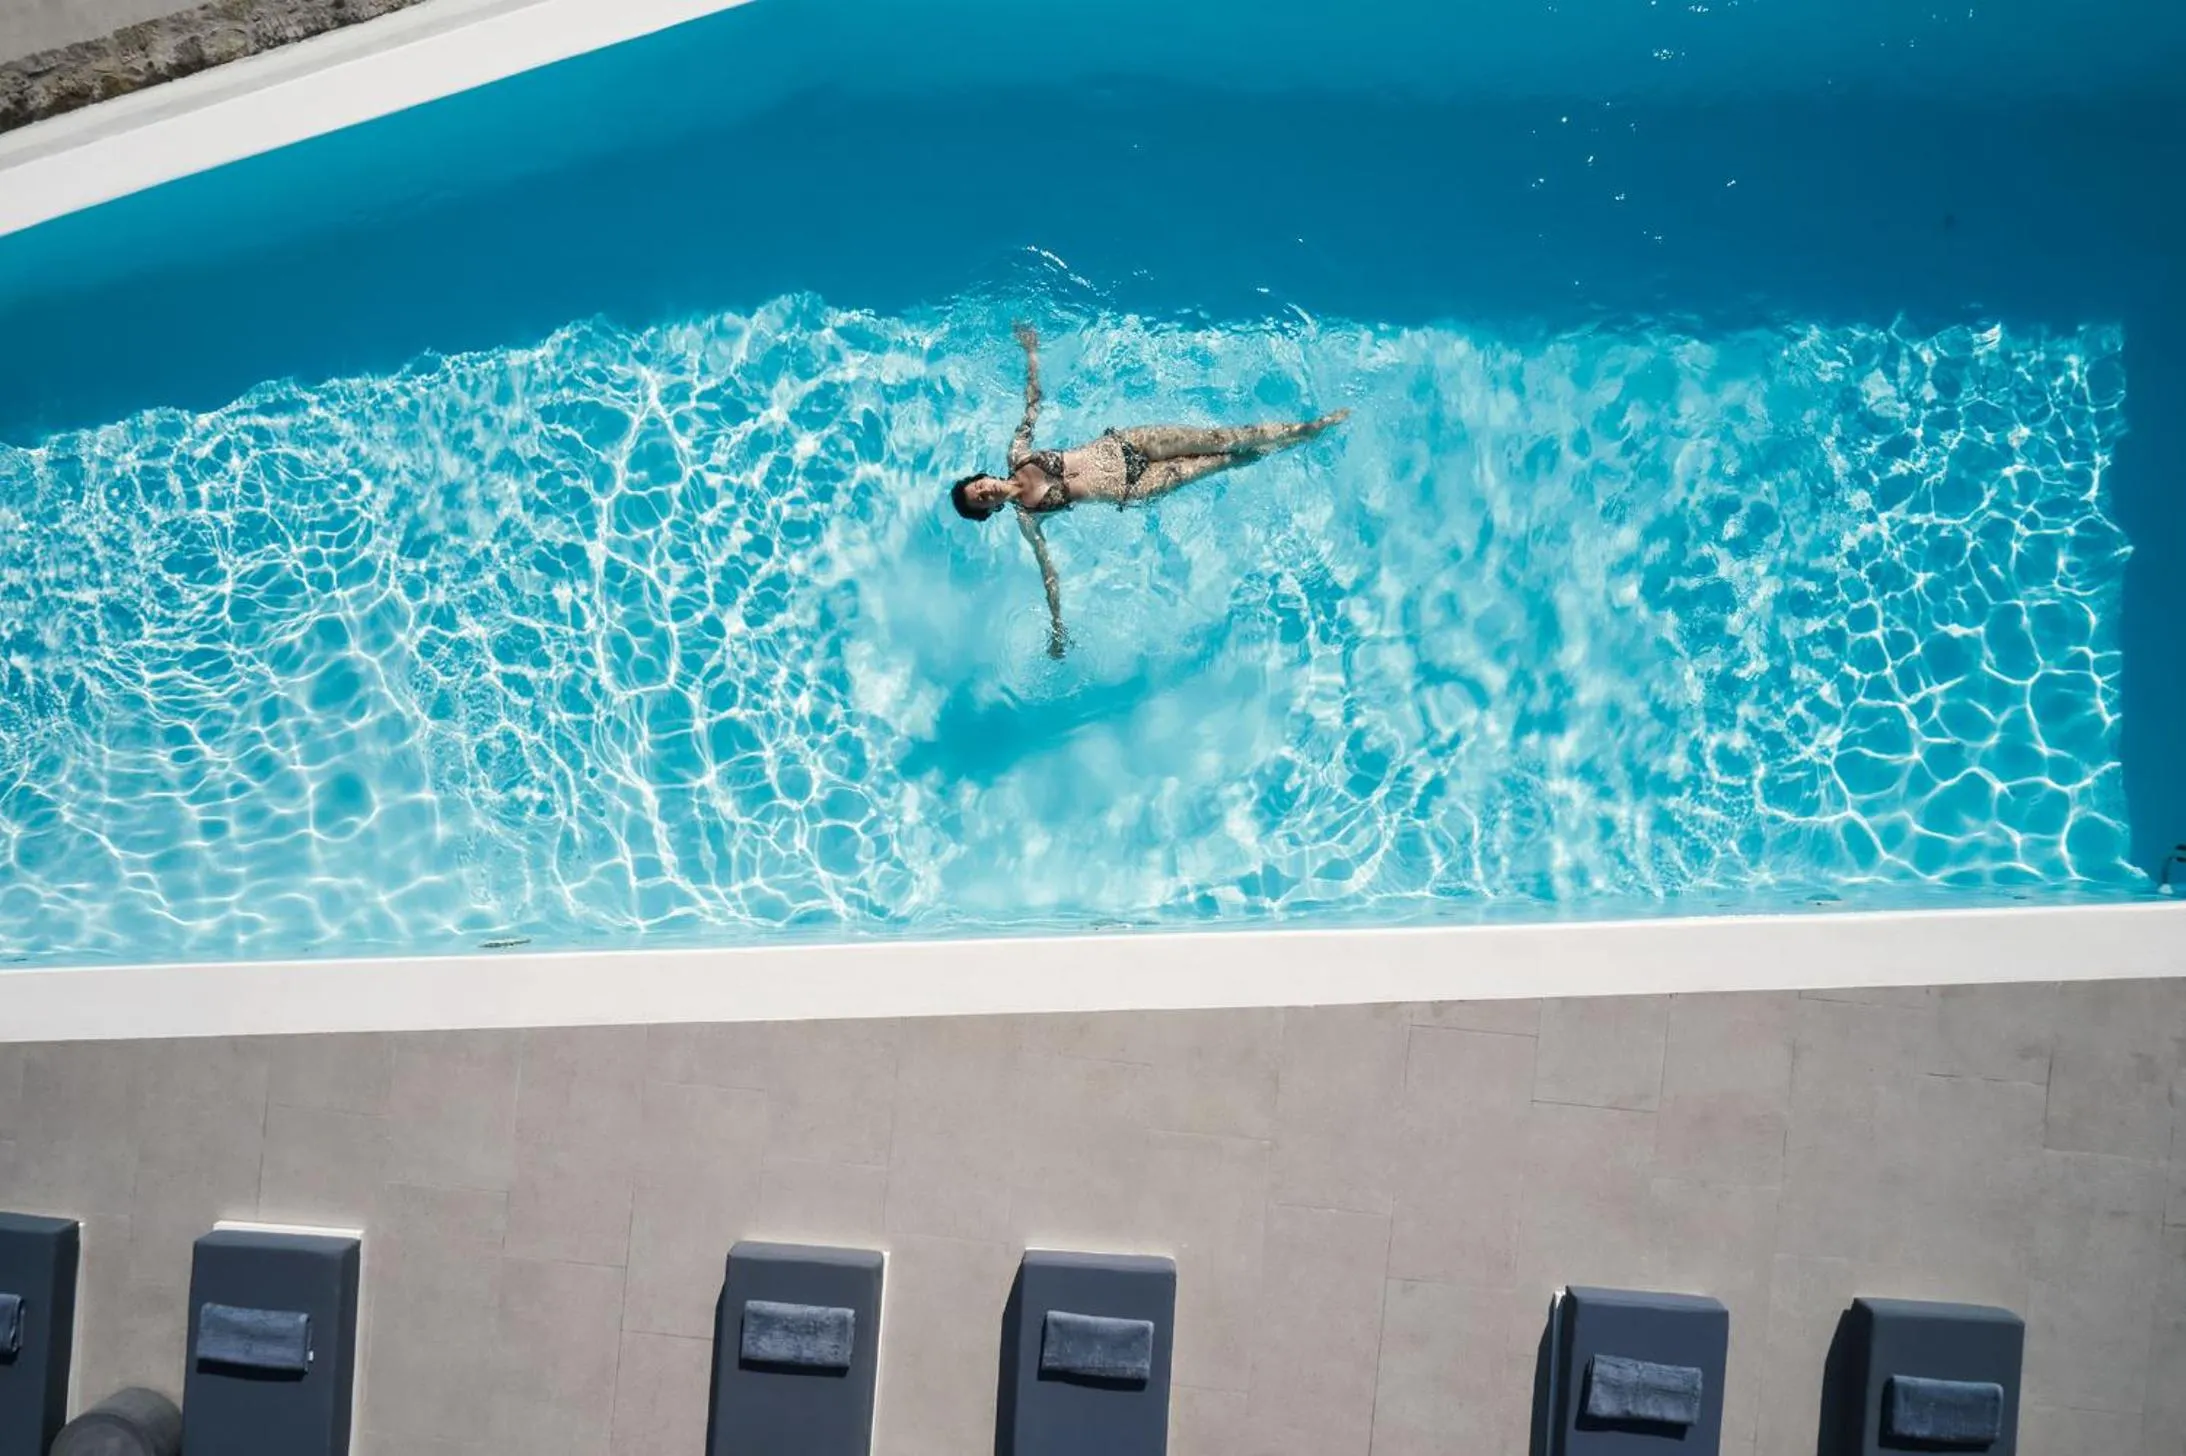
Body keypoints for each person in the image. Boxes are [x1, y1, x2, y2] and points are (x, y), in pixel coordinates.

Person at [951, 322, 1347, 658]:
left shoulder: (1017, 453)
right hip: (1135, 486)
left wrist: (1032, 354)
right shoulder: (1028, 517)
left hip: (1129, 443)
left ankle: (1308, 428)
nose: (986, 492)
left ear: (981, 478)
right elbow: (1048, 573)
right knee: (1225, 460)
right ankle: (1288, 446)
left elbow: (1032, 406)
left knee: (1223, 437)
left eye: (979, 486)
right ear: (988, 511)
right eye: (981, 500)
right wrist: (1057, 628)